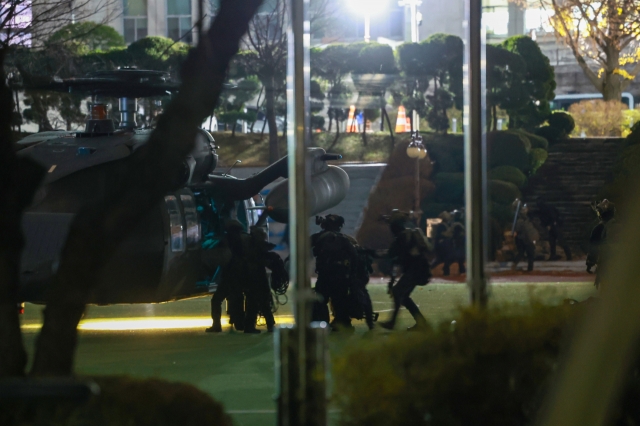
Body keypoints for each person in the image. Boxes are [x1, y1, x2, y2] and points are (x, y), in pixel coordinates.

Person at [379, 210, 431, 331]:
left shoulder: (402, 237)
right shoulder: (408, 235)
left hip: (415, 270)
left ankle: (393, 322)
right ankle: (421, 322)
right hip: (418, 269)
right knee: (403, 295)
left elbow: (393, 257)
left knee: (398, 293)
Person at [311, 214, 358, 331]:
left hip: (324, 275)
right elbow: (355, 256)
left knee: (320, 299)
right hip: (341, 276)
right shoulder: (344, 239)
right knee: (340, 300)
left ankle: (322, 323)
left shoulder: (318, 237)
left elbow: (301, 247)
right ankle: (342, 323)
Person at [586, 199, 617, 289]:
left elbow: (593, 248)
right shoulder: (621, 226)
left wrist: (590, 262)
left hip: (606, 262)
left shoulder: (599, 228)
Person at [536, 197, 572, 261]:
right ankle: (553, 256)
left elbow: (554, 217)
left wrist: (550, 224)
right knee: (552, 242)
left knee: (561, 240)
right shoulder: (544, 209)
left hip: (555, 226)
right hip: (552, 226)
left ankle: (569, 256)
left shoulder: (547, 208)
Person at [512, 202, 539, 272]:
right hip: (524, 238)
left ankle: (529, 269)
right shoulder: (522, 220)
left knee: (529, 254)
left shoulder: (527, 219)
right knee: (526, 253)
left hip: (527, 238)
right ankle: (516, 266)